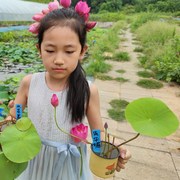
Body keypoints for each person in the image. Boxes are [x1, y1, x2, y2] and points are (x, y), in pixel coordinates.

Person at [7, 1, 131, 179]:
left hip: (70, 164)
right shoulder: (29, 83)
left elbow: (97, 133)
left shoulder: (88, 90)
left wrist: (114, 146)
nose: (58, 60)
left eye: (69, 51)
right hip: (33, 158)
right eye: (50, 50)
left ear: (82, 51)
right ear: (39, 50)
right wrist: (9, 122)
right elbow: (14, 117)